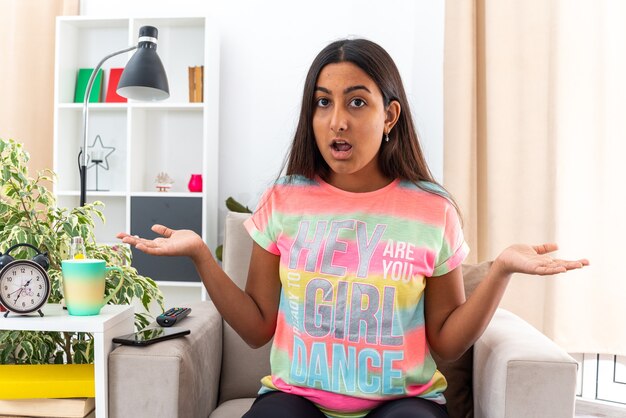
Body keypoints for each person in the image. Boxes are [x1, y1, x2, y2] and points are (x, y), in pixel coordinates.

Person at [118, 38, 588, 418]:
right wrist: (201, 253)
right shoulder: (284, 199)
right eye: (323, 103)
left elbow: (446, 341)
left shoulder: (431, 209)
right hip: (296, 398)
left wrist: (501, 270)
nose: (337, 121)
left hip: (405, 403)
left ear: (390, 116)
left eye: (357, 102)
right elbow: (258, 326)